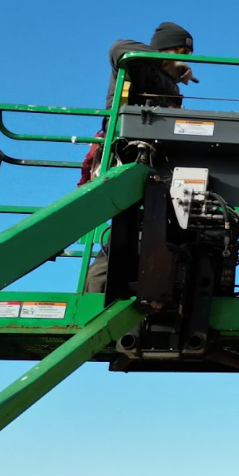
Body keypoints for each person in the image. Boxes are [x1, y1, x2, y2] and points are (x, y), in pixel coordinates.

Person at [82, 21, 195, 291]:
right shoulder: (137, 61)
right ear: (169, 48)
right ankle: (95, 294)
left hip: (158, 160)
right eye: (182, 53)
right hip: (127, 155)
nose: (186, 61)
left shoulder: (170, 85)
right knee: (126, 231)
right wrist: (163, 61)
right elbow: (117, 48)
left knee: (167, 228)